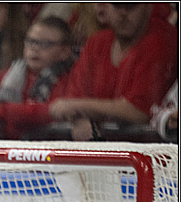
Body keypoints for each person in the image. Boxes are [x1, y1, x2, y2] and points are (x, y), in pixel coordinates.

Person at [49, 3, 178, 141]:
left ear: (148, 7)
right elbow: (70, 100)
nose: (123, 13)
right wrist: (81, 119)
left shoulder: (163, 39)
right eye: (117, 5)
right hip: (105, 151)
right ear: (105, 7)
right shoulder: (97, 42)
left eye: (130, 6)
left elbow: (139, 112)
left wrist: (79, 107)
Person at [0, 17, 74, 139]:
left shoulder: (70, 79)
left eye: (45, 44)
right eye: (30, 41)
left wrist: (1, 114)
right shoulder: (12, 73)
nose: (34, 48)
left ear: (64, 52)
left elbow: (49, 111)